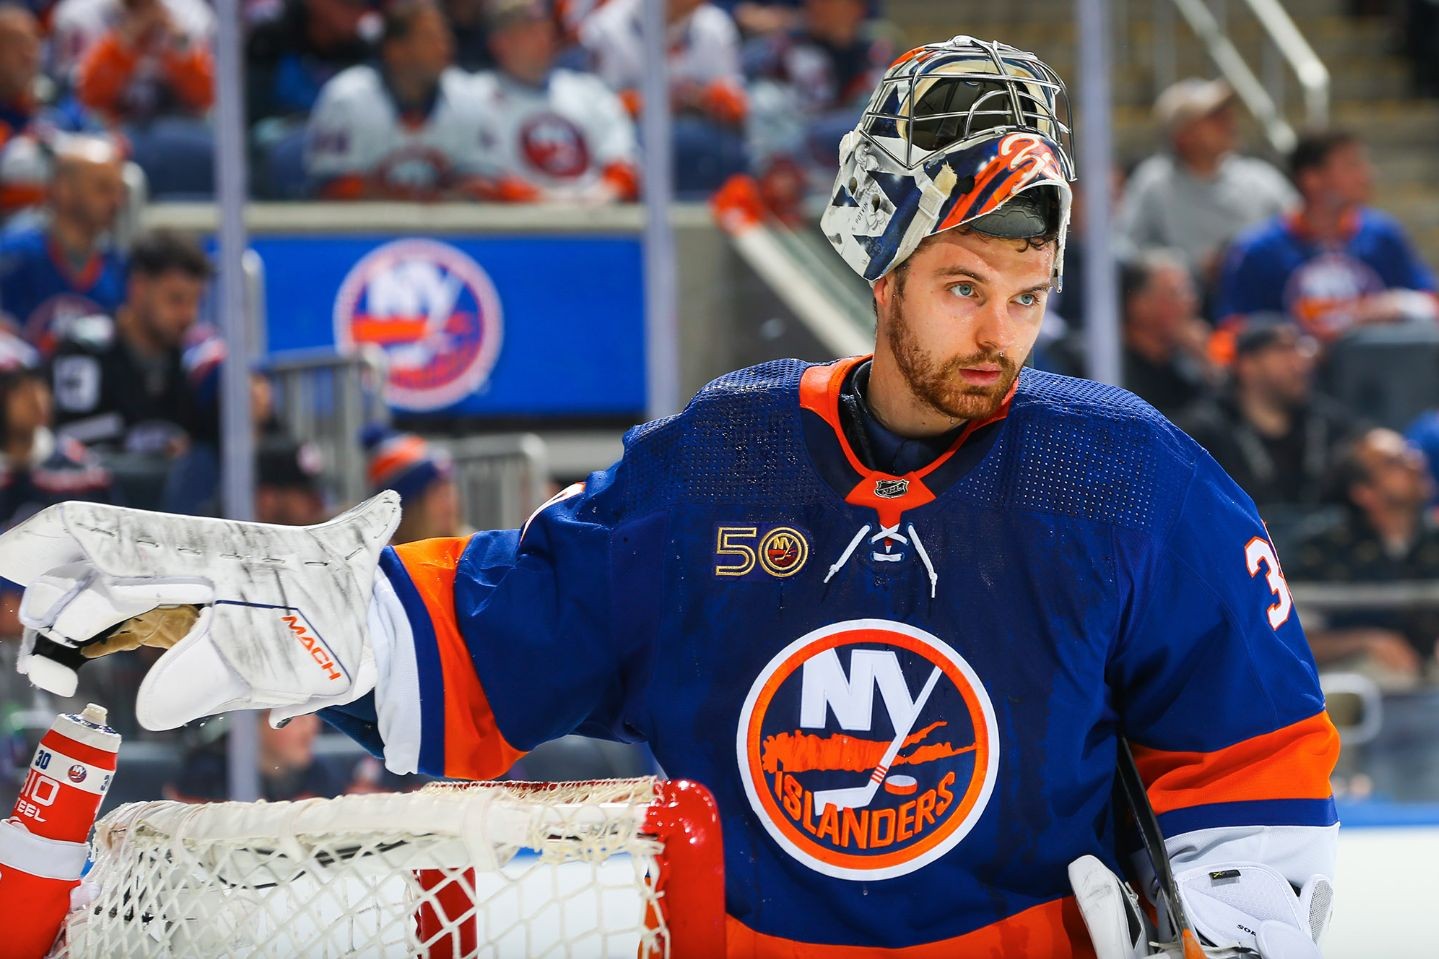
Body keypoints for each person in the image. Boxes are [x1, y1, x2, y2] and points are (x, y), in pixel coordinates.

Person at [0, 39, 1337, 959]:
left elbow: (1252, 767)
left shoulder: (1120, 472)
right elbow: (503, 632)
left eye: (1026, 297)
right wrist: (319, 613)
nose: (998, 334)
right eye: (961, 287)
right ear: (879, 271)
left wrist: (1234, 925)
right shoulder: (725, 457)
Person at [1216, 129, 1437, 342]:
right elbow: (1230, 332)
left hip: (1376, 364)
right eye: (1352, 165)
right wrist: (1279, 343)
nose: (1368, 175)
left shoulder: (1382, 236)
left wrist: (1401, 304)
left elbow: (1432, 300)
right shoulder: (1258, 250)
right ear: (1312, 178)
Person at [1116, 78, 1296, 295]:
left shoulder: (1261, 179)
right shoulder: (1154, 182)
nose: (1229, 123)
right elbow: (1125, 247)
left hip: (1259, 297)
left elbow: (1300, 231)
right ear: (1182, 135)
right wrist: (1185, 266)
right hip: (1186, 300)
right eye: (1214, 118)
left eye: (1227, 115)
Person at [1288, 428, 1439, 684]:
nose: (1415, 464)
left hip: (1429, 673)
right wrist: (1365, 641)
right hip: (1357, 680)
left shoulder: (1433, 538)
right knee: (1383, 675)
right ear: (1364, 493)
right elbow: (1291, 641)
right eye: (1394, 462)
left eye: (1412, 454)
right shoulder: (1324, 549)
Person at [48, 227, 216, 455]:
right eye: (176, 300)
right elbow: (64, 445)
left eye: (196, 301)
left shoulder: (196, 361)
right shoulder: (83, 351)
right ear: (139, 288)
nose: (189, 315)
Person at [1179, 314, 1363, 518]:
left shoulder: (1327, 422)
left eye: (1301, 349)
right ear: (1248, 365)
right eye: (1284, 350)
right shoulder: (1207, 430)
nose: (1301, 362)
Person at [304, 0, 489, 200]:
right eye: (429, 38)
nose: (444, 47)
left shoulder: (468, 97)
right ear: (395, 50)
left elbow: (484, 181)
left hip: (446, 219)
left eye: (445, 37)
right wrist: (410, 198)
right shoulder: (346, 99)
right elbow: (331, 188)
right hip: (365, 220)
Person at [468, 0, 639, 204]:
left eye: (545, 28)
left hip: (596, 215)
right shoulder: (473, 95)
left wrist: (605, 194)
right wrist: (544, 200)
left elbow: (624, 163)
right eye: (529, 30)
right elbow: (476, 176)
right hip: (513, 219)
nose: (543, 37)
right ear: (500, 42)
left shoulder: (590, 91)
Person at [579, 0, 747, 195]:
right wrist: (650, 103)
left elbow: (736, 104)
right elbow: (593, 105)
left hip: (700, 128)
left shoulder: (715, 24)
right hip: (631, 133)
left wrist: (702, 98)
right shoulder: (607, 25)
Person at [51, 0, 216, 196]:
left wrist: (179, 47)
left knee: (216, 153)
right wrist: (124, 41)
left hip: (181, 128)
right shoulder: (80, 15)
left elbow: (205, 97)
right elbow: (85, 97)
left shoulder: (191, 12)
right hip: (107, 127)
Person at [744, 0, 890, 219]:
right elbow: (767, 110)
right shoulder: (786, 50)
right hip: (799, 170)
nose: (815, 6)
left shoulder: (877, 54)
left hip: (857, 182)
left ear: (856, 8)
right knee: (765, 99)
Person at [0, 135, 126, 351]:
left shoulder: (120, 267)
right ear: (63, 189)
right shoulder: (12, 257)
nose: (116, 201)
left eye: (119, 190)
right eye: (103, 188)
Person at [1118, 248, 1216, 419]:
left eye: (1192, 292)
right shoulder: (1101, 364)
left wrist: (1207, 365)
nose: (1192, 303)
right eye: (1179, 293)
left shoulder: (1185, 365)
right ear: (1139, 305)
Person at [165, 712, 349, 803]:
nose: (310, 727)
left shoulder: (321, 775)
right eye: (292, 717)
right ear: (249, 724)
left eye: (313, 714)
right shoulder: (206, 776)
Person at [362, 427, 463, 543]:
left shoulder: (471, 546)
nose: (449, 502)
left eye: (448, 490)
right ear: (409, 508)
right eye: (436, 492)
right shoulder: (384, 553)